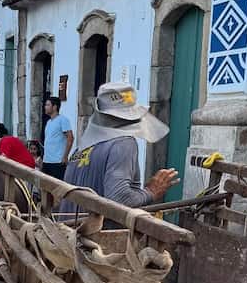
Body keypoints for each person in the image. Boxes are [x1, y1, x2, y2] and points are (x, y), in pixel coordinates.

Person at [59, 82, 179, 214]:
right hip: (96, 227)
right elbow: (118, 199)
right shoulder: (123, 143)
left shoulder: (80, 149)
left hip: (67, 225)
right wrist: (150, 192)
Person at [41, 96, 74, 180]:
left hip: (57, 161)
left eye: (48, 105)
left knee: (57, 186)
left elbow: (70, 138)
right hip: (47, 161)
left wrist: (65, 156)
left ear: (55, 107)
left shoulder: (63, 120)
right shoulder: (48, 122)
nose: (45, 107)